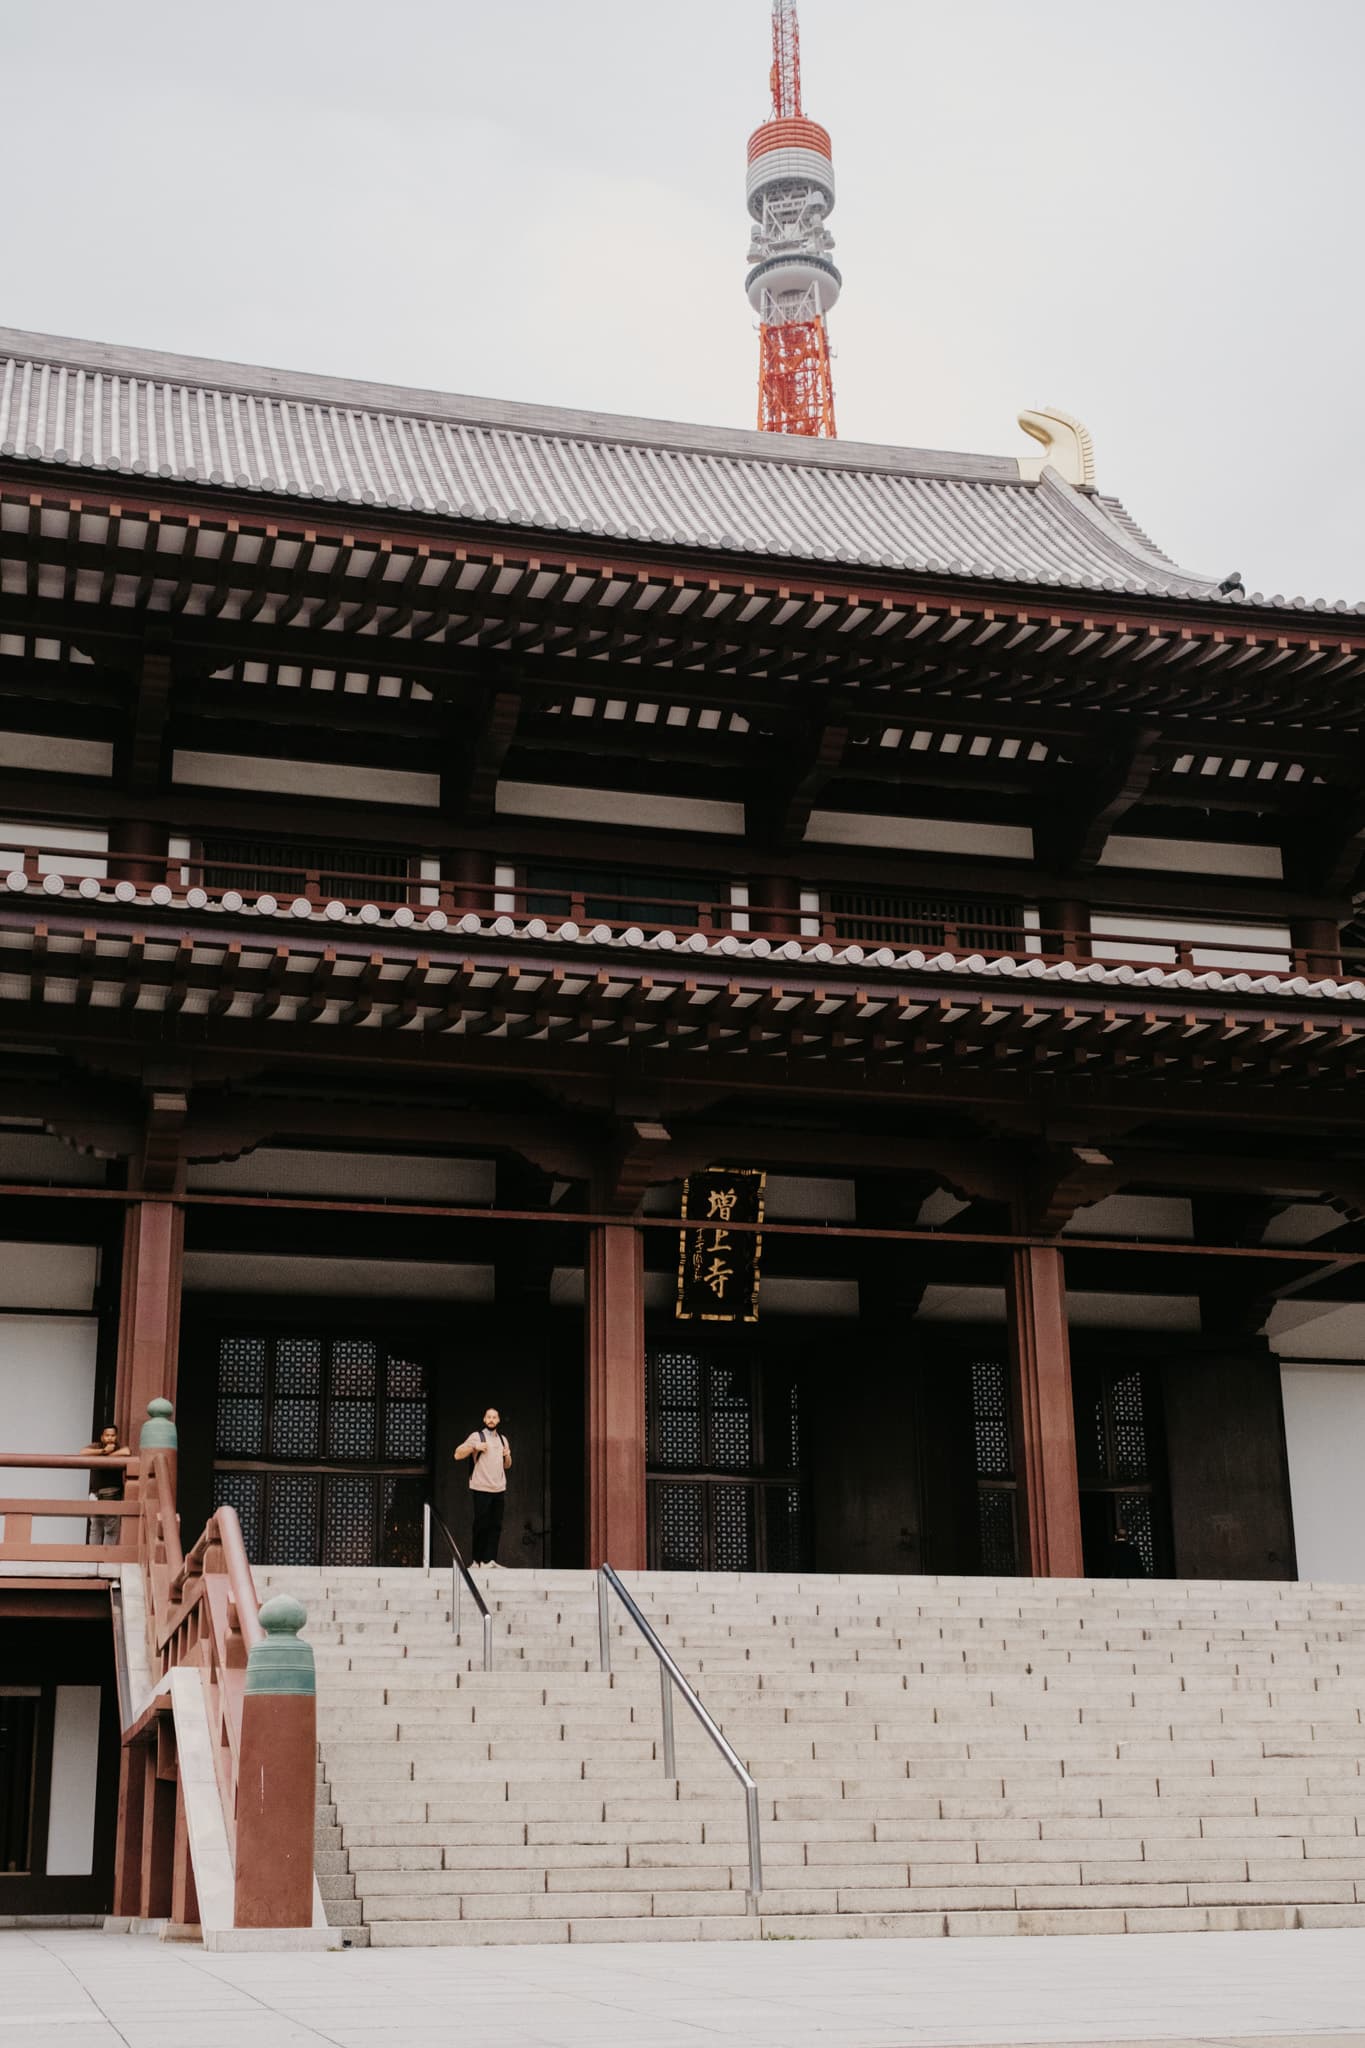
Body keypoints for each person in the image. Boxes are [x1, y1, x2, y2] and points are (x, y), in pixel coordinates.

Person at [454, 1407, 511, 1567]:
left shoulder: (502, 1439)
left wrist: (507, 1455)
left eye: (495, 1417)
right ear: (485, 1420)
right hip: (481, 1487)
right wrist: (474, 1447)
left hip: (499, 1488)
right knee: (481, 1524)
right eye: (489, 1417)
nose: (492, 1419)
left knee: (496, 1525)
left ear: (498, 1420)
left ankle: (489, 1560)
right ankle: (476, 1561)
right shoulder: (477, 1436)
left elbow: (507, 1465)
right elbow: (457, 1454)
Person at [81, 1425, 129, 1546]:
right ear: (102, 1437)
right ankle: (93, 1557)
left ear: (116, 1436)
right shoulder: (96, 1446)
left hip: (114, 1493)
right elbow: (82, 1452)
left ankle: (107, 1560)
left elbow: (127, 1452)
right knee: (95, 1527)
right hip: (96, 1493)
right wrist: (103, 1451)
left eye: (112, 1435)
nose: (110, 1438)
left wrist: (106, 1456)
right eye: (107, 1435)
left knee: (111, 1530)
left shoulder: (119, 1447)